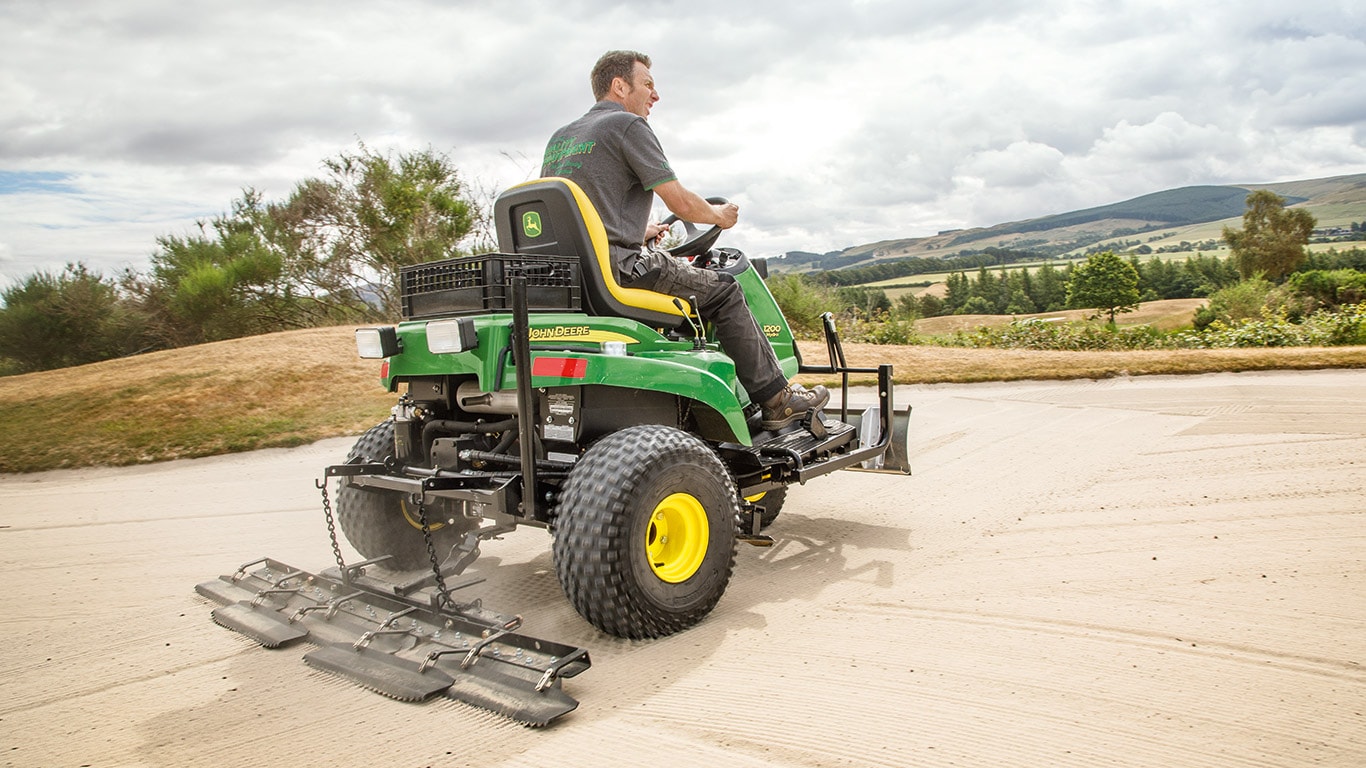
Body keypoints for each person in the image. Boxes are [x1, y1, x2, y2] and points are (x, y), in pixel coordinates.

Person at [541, 49, 828, 431]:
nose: (655, 95)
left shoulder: (561, 139)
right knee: (724, 291)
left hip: (567, 279)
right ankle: (777, 399)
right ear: (619, 86)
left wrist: (636, 232)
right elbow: (680, 201)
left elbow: (574, 215)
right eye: (648, 85)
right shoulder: (627, 125)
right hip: (620, 269)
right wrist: (719, 216)